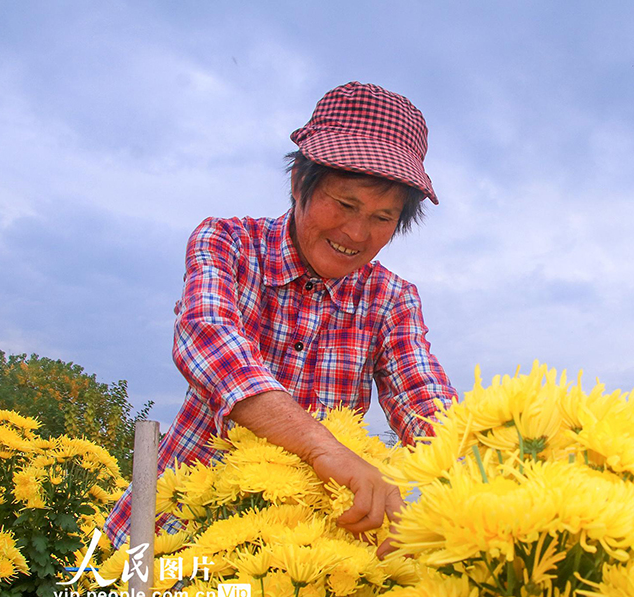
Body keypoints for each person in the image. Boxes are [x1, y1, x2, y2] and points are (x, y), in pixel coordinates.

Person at [104, 82, 457, 555]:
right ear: (298, 185)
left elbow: (425, 400)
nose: (356, 232)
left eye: (382, 217)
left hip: (302, 557)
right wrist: (324, 448)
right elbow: (208, 338)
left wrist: (471, 483)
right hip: (171, 532)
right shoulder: (228, 242)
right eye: (345, 204)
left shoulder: (391, 299)